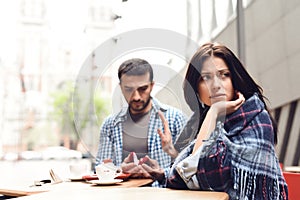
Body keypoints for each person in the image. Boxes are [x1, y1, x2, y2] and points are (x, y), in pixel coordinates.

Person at [158, 42, 288, 199]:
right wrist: (213, 114)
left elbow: (205, 176)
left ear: (235, 79)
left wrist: (214, 112)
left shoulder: (257, 119)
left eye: (224, 75)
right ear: (196, 87)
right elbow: (181, 174)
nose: (216, 85)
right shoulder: (198, 122)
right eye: (205, 77)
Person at [95, 58, 187, 187]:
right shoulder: (110, 125)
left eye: (143, 89)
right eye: (128, 89)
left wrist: (162, 172)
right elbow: (100, 167)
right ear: (120, 87)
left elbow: (189, 169)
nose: (136, 96)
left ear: (152, 86)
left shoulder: (175, 119)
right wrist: (119, 171)